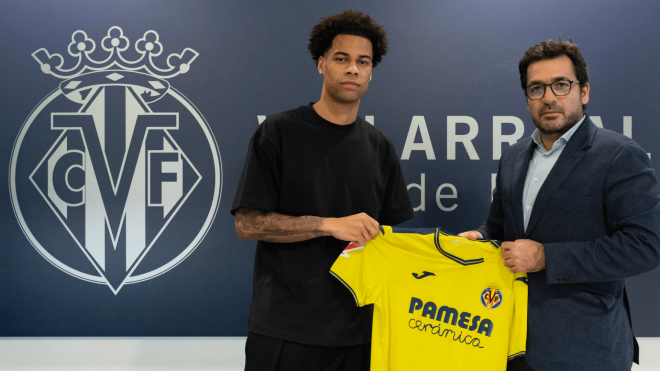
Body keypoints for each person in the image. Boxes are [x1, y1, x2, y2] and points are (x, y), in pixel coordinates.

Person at [459, 39, 660, 370]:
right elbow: (498, 225)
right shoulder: (512, 157)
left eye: (561, 85)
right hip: (508, 341)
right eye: (536, 88)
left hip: (587, 350)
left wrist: (545, 258)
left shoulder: (620, 155)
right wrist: (480, 239)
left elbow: (646, 247)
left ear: (584, 92)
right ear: (527, 99)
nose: (549, 97)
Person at [231, 10, 414, 371]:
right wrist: (328, 224)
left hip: (360, 332)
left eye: (363, 62)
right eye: (341, 58)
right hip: (285, 329)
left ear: (371, 71)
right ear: (321, 64)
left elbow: (392, 240)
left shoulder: (380, 147)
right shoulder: (278, 132)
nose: (353, 70)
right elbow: (247, 224)